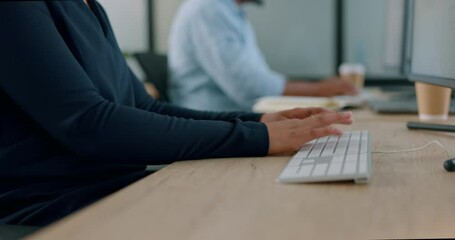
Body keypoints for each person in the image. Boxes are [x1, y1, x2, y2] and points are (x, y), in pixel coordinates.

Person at [0, 1, 352, 226]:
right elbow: (90, 124)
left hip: (115, 184)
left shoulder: (91, 7)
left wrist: (258, 123)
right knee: (260, 211)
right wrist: (258, 137)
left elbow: (144, 106)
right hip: (55, 206)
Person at [168, 0, 358, 112]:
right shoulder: (208, 10)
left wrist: (318, 89)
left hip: (235, 118)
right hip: (213, 124)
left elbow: (260, 78)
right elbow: (249, 87)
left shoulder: (232, 13)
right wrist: (317, 89)